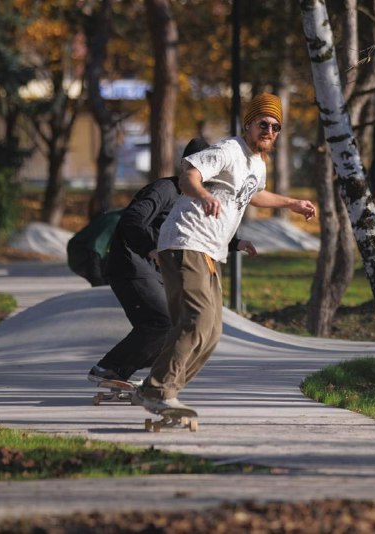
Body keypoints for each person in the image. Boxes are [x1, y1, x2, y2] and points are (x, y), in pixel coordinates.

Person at [133, 93, 317, 413]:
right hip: (186, 240)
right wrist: (203, 194)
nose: (269, 131)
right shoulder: (229, 149)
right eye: (264, 124)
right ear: (249, 124)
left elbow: (254, 195)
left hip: (210, 251)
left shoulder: (257, 164)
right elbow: (189, 173)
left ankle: (162, 389)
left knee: (213, 332)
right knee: (197, 320)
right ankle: (157, 389)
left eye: (276, 127)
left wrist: (291, 203)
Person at [87, 138, 256, 387]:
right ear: (186, 166)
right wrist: (150, 249)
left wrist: (236, 243)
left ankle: (120, 374)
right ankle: (107, 368)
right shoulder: (165, 189)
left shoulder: (195, 197)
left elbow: (194, 234)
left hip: (154, 270)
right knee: (160, 322)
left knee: (175, 326)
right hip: (131, 265)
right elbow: (132, 219)